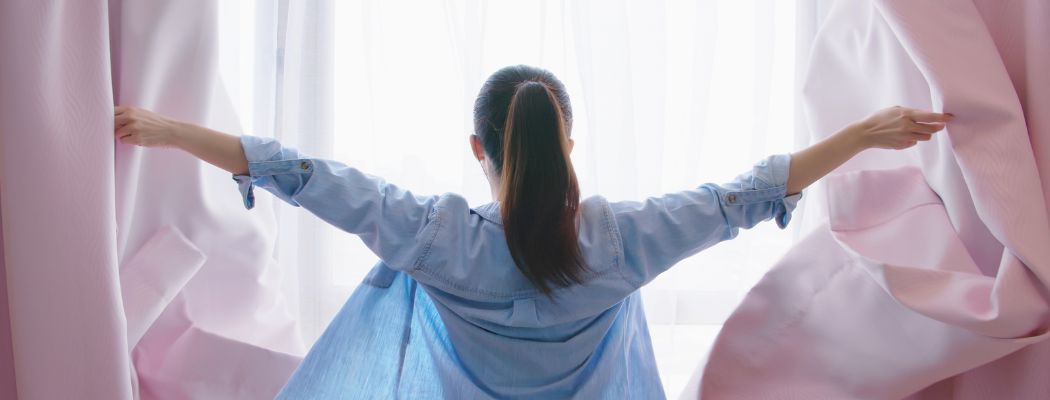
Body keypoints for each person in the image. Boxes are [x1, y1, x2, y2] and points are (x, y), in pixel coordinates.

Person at [113, 65, 952, 399]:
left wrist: (171, 130)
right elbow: (742, 197)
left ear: (479, 150)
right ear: (569, 145)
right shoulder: (620, 242)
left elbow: (304, 176)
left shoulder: (436, 239)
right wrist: (861, 135)